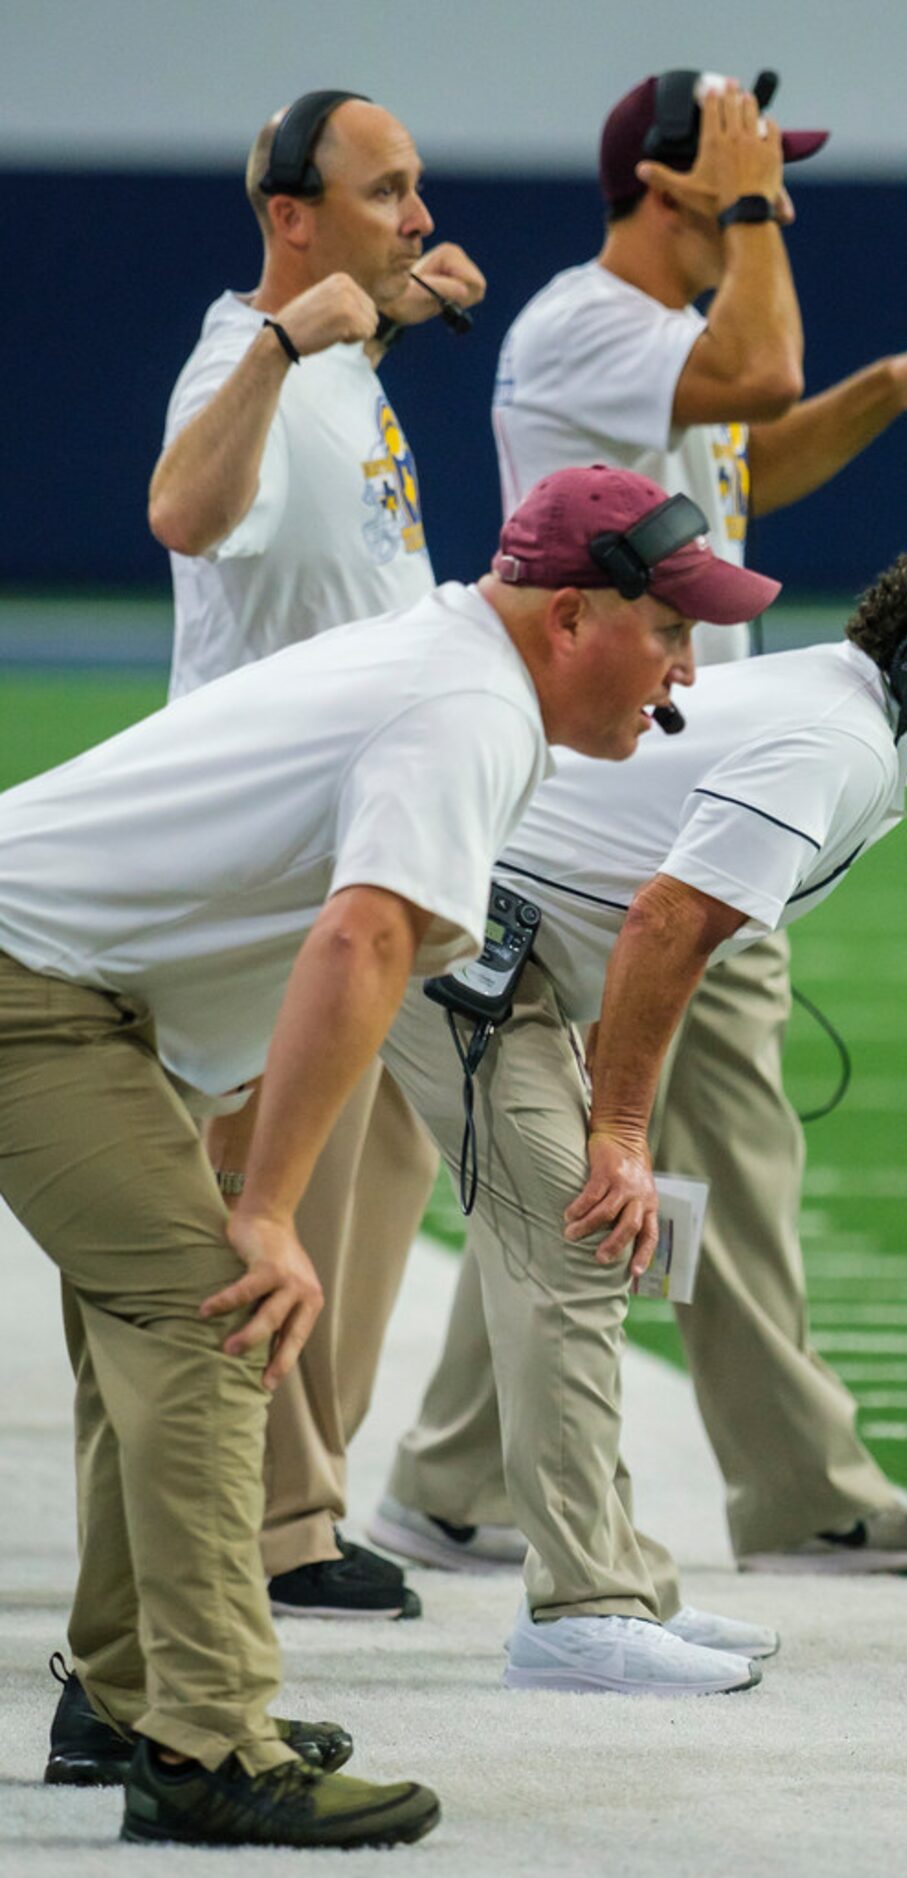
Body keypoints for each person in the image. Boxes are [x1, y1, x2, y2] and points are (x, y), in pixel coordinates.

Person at [3, 466, 760, 1845]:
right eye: (670, 633)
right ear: (575, 614)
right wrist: (275, 1208)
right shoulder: (465, 705)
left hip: (86, 992)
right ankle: (210, 1744)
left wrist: (241, 1160)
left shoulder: (456, 668)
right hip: (37, 984)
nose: (685, 677)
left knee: (157, 1325)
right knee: (220, 1312)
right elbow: (360, 941)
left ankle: (128, 1703)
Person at [375, 69, 907, 1575]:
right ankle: (796, 1487)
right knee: (717, 1145)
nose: (776, 198)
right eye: (748, 174)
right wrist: (754, 235)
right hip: (641, 802)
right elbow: (756, 374)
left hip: (668, 776)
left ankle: (453, 1472)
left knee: (591, 1160)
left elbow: (743, 474)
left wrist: (883, 393)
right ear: (669, 187)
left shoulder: (650, 342)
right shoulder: (591, 319)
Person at [375, 537, 907, 1607]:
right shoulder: (837, 742)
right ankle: (591, 1607)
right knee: (583, 1239)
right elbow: (666, 921)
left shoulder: (849, 721)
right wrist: (617, 1130)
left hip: (487, 940)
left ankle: (565, 1563)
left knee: (573, 1242)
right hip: (463, 941)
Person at [148, 88, 486, 1619]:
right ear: (293, 217)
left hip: (365, 835)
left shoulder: (340, 346)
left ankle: (303, 1488)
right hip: (275, 855)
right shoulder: (247, 358)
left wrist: (383, 318)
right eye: (387, 191)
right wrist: (288, 348)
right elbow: (186, 510)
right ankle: (274, 1521)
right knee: (275, 1188)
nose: (419, 216)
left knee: (380, 1164)